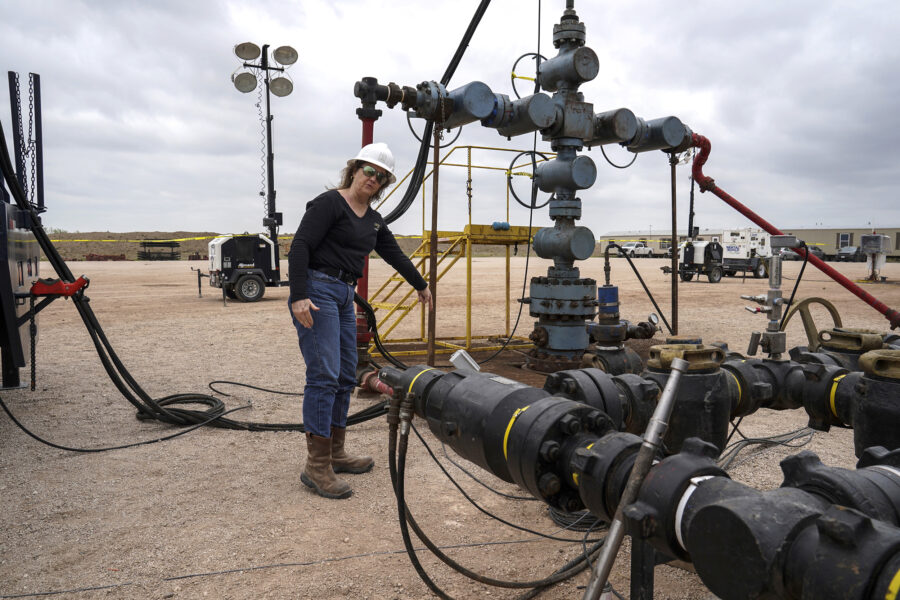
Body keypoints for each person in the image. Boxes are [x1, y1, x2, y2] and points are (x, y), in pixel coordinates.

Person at [288, 142, 432, 500]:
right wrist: (298, 296)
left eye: (381, 177)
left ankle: (335, 452)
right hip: (318, 291)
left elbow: (393, 253)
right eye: (370, 171)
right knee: (323, 374)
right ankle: (316, 466)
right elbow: (300, 246)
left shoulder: (373, 219)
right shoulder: (329, 204)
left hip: (343, 295)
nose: (374, 179)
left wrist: (421, 285)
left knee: (344, 373)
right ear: (354, 169)